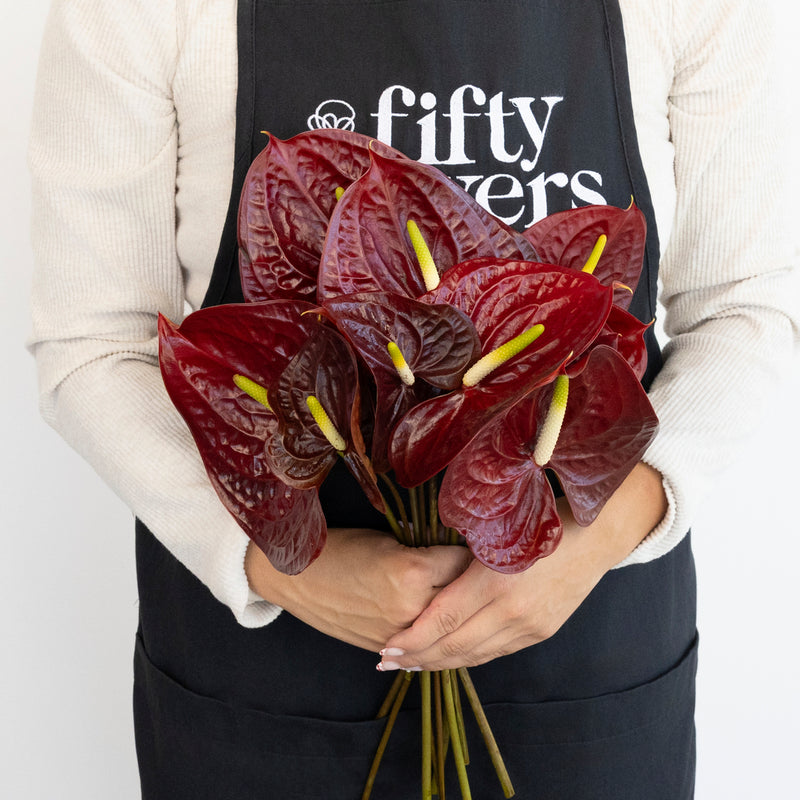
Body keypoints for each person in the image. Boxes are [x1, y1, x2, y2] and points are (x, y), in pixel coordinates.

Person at [29, 0, 797, 797]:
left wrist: (598, 537)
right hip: (267, 678)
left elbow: (747, 306)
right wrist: (278, 568)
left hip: (580, 654)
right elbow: (92, 342)